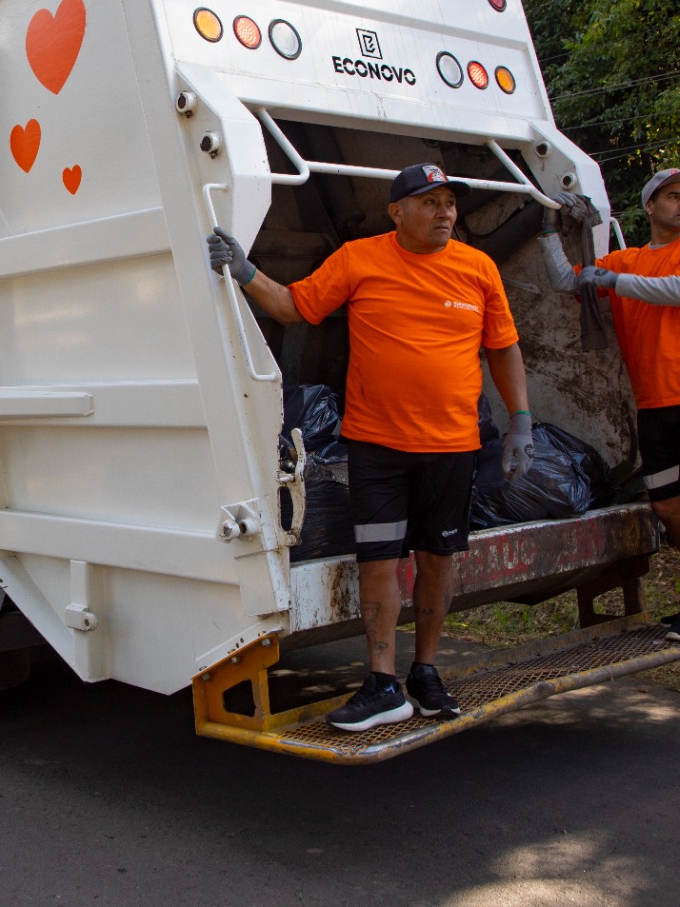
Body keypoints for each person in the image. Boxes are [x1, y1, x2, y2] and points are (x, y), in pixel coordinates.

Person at [207, 163, 535, 731]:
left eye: (449, 203)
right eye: (430, 203)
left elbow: (503, 348)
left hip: (452, 446)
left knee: (438, 559)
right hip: (378, 447)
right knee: (379, 561)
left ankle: (426, 672)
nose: (445, 213)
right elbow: (291, 307)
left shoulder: (477, 268)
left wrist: (522, 421)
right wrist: (243, 270)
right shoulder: (361, 258)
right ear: (397, 212)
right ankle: (383, 682)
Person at [538, 168, 680, 643]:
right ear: (650, 207)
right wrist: (547, 226)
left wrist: (609, 277)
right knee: (668, 508)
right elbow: (568, 282)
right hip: (654, 404)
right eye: (673, 196)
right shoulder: (627, 260)